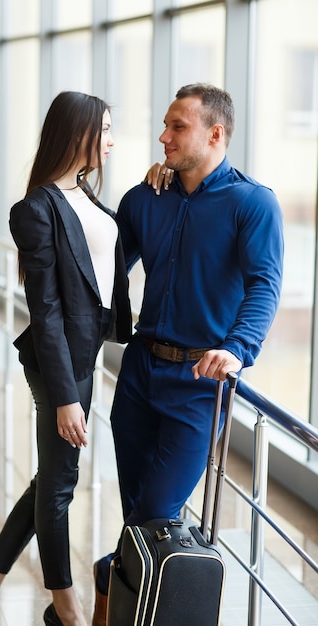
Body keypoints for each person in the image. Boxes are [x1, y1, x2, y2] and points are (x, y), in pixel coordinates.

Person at [0, 91, 167, 626]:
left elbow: (107, 261)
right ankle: (66, 609)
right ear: (76, 132)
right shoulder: (35, 210)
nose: (111, 138)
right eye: (104, 128)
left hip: (85, 354)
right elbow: (48, 311)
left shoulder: (85, 196)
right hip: (58, 362)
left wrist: (156, 179)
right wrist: (64, 399)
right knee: (60, 485)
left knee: (50, 482)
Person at [92, 82, 284, 626]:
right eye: (166, 125)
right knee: (139, 517)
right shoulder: (144, 198)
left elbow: (265, 285)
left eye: (178, 127)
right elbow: (102, 268)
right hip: (138, 375)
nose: (163, 136)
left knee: (154, 514)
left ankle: (109, 583)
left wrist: (238, 349)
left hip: (199, 384)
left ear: (215, 133)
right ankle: (114, 601)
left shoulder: (253, 203)